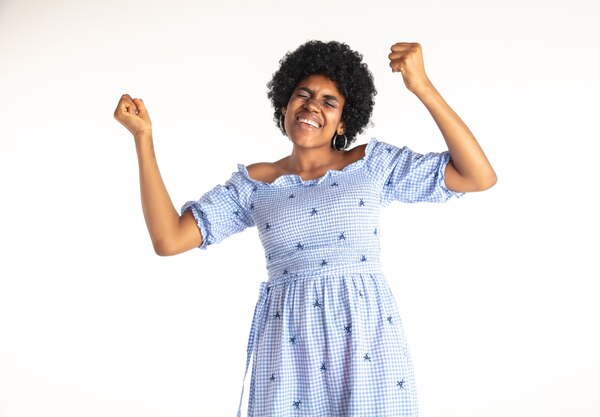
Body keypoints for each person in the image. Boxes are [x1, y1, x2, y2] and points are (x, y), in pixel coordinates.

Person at [113, 40, 496, 416]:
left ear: (344, 121)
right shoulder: (254, 184)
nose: (313, 105)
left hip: (366, 340)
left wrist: (422, 87)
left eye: (329, 102)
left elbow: (477, 176)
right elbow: (169, 238)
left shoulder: (374, 165)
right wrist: (143, 139)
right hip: (288, 343)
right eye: (304, 94)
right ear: (285, 105)